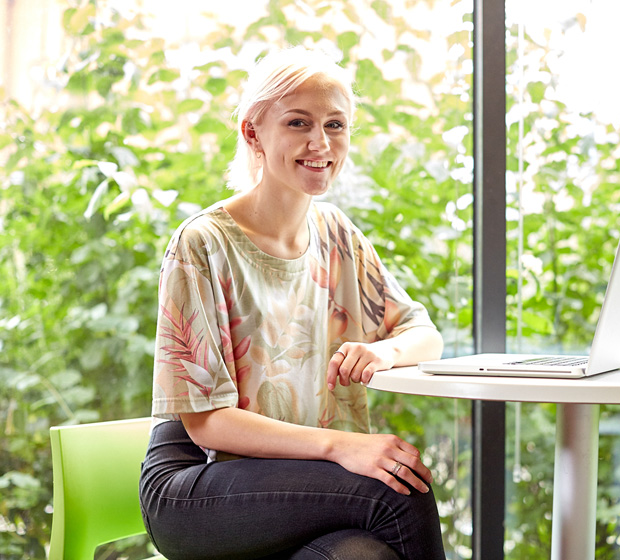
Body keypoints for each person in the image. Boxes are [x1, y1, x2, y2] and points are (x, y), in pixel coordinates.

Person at [139, 46, 446, 560]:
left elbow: (424, 334)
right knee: (397, 489)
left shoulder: (337, 235)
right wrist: (341, 446)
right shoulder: (202, 244)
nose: (320, 142)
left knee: (358, 555)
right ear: (252, 133)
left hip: (291, 485)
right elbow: (207, 421)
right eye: (299, 122)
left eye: (335, 124)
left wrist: (384, 352)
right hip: (197, 482)